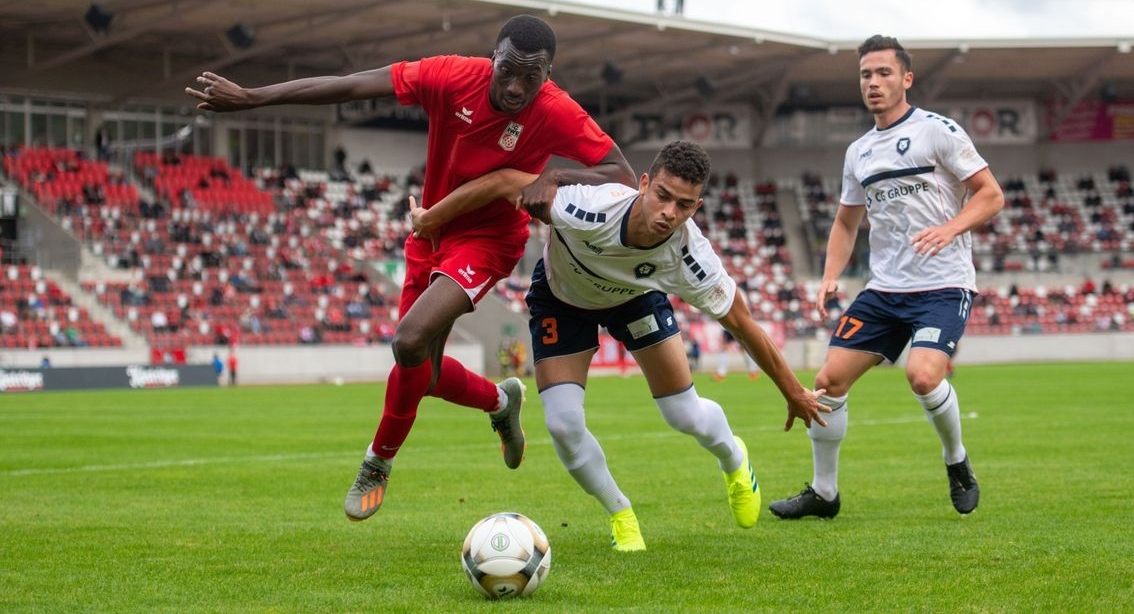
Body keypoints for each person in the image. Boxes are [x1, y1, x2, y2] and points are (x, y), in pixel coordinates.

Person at [187, 14, 636, 522]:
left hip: (488, 240)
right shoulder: (450, 76)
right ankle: (498, 401)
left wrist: (554, 175)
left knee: (407, 340)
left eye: (529, 78)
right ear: (494, 56)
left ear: (547, 74)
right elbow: (351, 85)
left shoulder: (556, 111)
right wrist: (253, 98)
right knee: (424, 372)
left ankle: (377, 462)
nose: (514, 87)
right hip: (429, 232)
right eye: (507, 70)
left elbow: (619, 172)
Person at [418, 141, 829, 550]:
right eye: (662, 196)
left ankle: (734, 460)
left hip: (634, 298)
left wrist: (793, 391)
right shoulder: (586, 207)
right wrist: (431, 219)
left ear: (696, 208)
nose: (669, 213)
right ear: (644, 184)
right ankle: (620, 513)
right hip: (563, 300)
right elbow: (506, 181)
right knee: (562, 424)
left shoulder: (690, 256)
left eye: (683, 205)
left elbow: (742, 322)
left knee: (682, 414)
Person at [768, 35, 1004, 521]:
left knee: (921, 376)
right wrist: (830, 275)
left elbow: (990, 195)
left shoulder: (938, 131)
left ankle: (956, 461)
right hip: (885, 289)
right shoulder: (858, 152)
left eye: (883, 73)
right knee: (828, 380)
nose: (873, 83)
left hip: (943, 284)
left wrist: (950, 228)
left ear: (906, 79)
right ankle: (825, 494)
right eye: (865, 75)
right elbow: (846, 221)